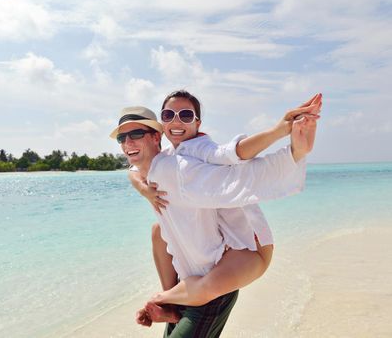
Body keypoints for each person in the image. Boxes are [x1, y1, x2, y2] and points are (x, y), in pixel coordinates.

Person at [110, 99, 319, 337]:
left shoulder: (185, 163)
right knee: (157, 231)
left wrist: (290, 147)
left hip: (224, 272)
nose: (128, 142)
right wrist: (142, 188)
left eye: (136, 134)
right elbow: (134, 171)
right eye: (122, 138)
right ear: (163, 125)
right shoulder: (168, 158)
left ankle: (162, 298)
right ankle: (168, 303)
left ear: (156, 136)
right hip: (195, 282)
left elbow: (241, 167)